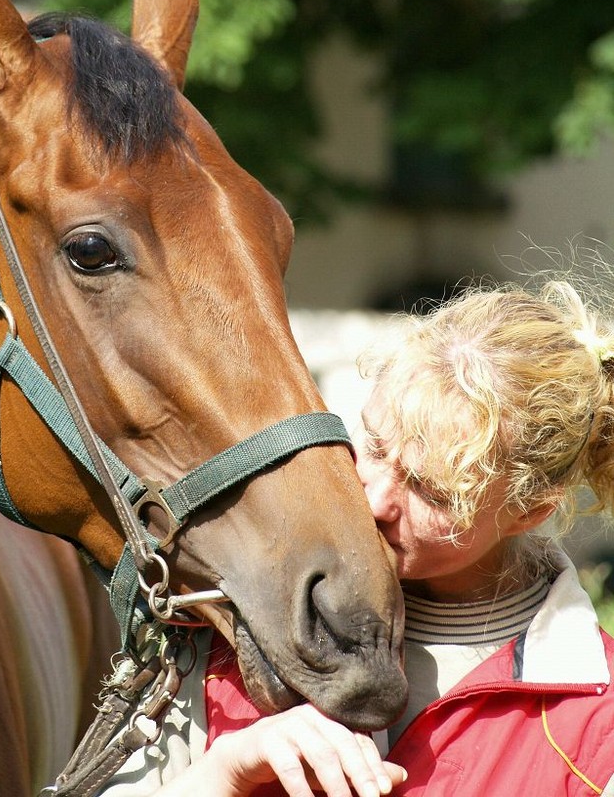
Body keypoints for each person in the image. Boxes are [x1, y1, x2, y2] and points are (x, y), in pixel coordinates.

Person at [103, 280, 614, 796]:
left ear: (528, 511)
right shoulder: (252, 607)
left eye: (431, 492)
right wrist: (223, 774)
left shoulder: (596, 725)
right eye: (372, 443)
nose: (373, 502)